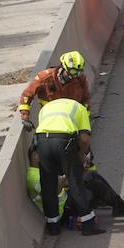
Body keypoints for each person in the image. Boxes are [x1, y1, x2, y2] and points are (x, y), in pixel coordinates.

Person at [34, 97, 104, 236]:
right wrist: (82, 155)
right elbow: (84, 139)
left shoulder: (46, 108)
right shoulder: (80, 108)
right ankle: (88, 224)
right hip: (64, 141)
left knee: (48, 184)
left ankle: (53, 225)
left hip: (42, 142)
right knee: (75, 182)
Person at [26, 150, 124, 228]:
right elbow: (52, 192)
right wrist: (69, 175)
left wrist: (78, 172)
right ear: (34, 157)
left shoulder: (43, 170)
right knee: (91, 180)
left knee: (91, 175)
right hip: (63, 211)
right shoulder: (33, 176)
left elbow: (66, 182)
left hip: (66, 201)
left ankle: (121, 208)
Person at [17, 51, 90, 128]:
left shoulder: (81, 79)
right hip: (49, 116)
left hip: (71, 117)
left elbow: (85, 98)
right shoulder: (44, 77)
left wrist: (86, 118)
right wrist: (25, 117)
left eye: (78, 72)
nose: (75, 75)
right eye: (73, 71)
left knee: (83, 139)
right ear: (63, 67)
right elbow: (27, 95)